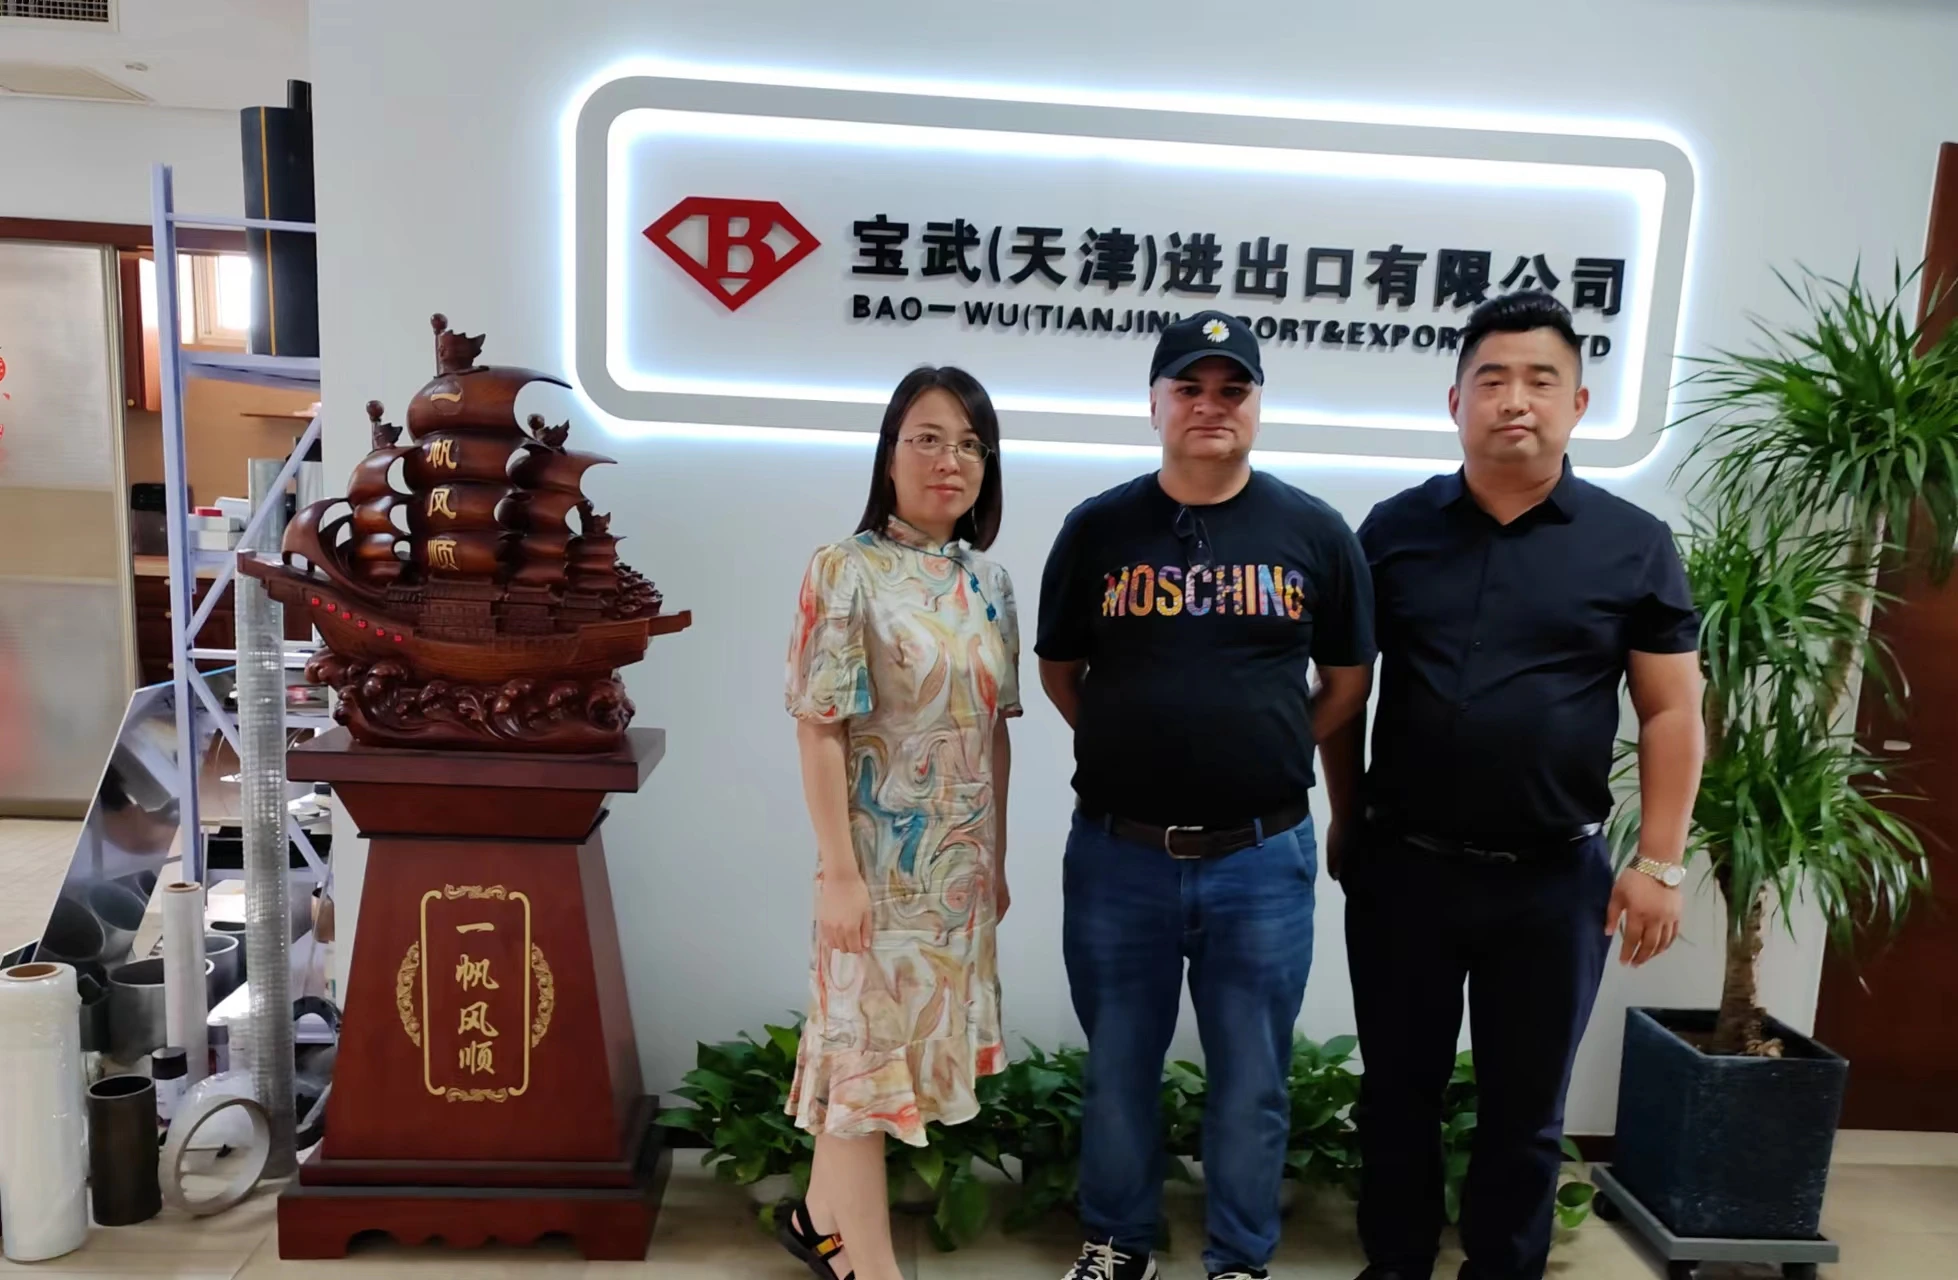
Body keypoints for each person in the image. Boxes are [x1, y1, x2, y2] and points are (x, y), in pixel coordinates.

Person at [1322, 290, 1706, 1280]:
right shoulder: (1392, 531)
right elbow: (1345, 692)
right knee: (1396, 1093)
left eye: (1540, 380)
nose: (1514, 400)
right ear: (1456, 401)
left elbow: (1671, 710)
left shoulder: (1631, 542)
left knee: (1526, 1109)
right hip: (1405, 866)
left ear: (1577, 404)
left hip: (1554, 880)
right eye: (1491, 379)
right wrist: (1345, 813)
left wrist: (1659, 862)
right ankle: (1394, 1264)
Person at [1038, 311, 1377, 1280]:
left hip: (1260, 858)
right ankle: (1118, 1242)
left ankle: (1238, 1258)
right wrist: (1134, 743)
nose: (1210, 406)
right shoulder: (1098, 529)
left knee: (1252, 1079)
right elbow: (1061, 672)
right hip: (1118, 855)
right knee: (1117, 1069)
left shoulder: (1314, 531)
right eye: (1188, 387)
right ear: (1154, 404)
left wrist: (1268, 747)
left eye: (1233, 389)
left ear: (1257, 406)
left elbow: (1346, 683)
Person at [775, 367, 1020, 1280]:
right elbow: (819, 725)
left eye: (969, 444)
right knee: (865, 1072)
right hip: (874, 871)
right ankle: (872, 1269)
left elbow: (994, 733)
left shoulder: (990, 582)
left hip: (955, 876)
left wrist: (994, 859)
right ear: (888, 456)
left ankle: (814, 1220)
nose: (949, 460)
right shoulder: (846, 568)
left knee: (881, 1058)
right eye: (927, 438)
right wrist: (839, 873)